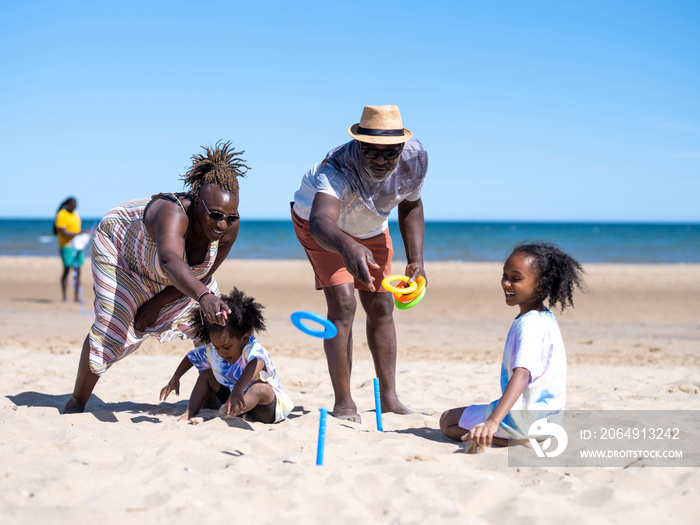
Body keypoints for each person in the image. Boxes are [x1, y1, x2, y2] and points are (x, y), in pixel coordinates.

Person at [63, 141, 249, 414]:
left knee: (210, 320)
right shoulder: (172, 211)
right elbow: (170, 260)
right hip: (121, 254)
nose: (222, 224)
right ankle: (77, 401)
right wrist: (203, 295)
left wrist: (159, 302)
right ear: (197, 201)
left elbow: (203, 273)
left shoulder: (229, 227)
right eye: (215, 215)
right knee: (113, 323)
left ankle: (209, 391)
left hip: (169, 273)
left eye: (230, 217)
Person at [291, 105, 428, 422]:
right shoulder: (336, 167)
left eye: (389, 154)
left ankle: (390, 398)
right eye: (371, 153)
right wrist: (347, 246)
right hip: (323, 228)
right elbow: (321, 221)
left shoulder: (416, 159)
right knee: (344, 304)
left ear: (402, 148)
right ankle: (344, 403)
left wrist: (416, 260)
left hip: (370, 227)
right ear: (358, 144)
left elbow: (412, 204)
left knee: (381, 305)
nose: (381, 161)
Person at [439, 242, 585, 450]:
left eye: (516, 279)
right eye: (505, 276)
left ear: (541, 284)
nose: (506, 283)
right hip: (548, 419)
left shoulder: (529, 325)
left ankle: (512, 440)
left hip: (522, 421)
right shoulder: (546, 317)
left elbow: (522, 374)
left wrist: (493, 421)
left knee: (446, 421)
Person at [160, 287, 293, 424]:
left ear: (244, 338)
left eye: (227, 347)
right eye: (217, 347)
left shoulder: (251, 348)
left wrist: (238, 388)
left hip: (264, 409)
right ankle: (189, 413)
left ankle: (217, 416)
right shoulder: (214, 349)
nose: (221, 352)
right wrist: (176, 378)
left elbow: (258, 362)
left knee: (260, 388)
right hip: (233, 400)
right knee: (207, 375)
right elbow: (192, 357)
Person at [54, 197, 89, 302]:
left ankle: (76, 297)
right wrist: (79, 233)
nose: (75, 207)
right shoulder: (61, 214)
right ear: (68, 205)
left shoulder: (76, 214)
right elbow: (63, 232)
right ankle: (65, 296)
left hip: (78, 246)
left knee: (78, 271)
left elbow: (77, 229)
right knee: (67, 269)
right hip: (67, 245)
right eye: (73, 205)